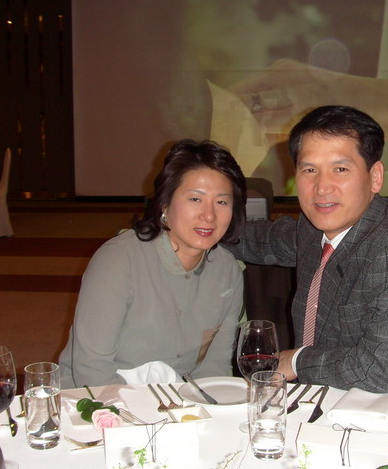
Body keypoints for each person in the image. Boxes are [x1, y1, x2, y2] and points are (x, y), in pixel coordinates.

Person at [227, 105, 388, 396]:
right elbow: (264, 240)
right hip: (326, 400)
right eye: (310, 170)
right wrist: (207, 228)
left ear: (375, 177)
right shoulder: (314, 228)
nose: (322, 187)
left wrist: (297, 361)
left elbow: (380, 373)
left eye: (340, 169)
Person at [59, 140, 247, 388]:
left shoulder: (227, 271)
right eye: (195, 199)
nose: (209, 215)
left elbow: (214, 366)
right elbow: (92, 369)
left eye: (222, 202)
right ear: (164, 204)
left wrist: (204, 406)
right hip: (97, 399)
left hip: (176, 402)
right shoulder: (119, 260)